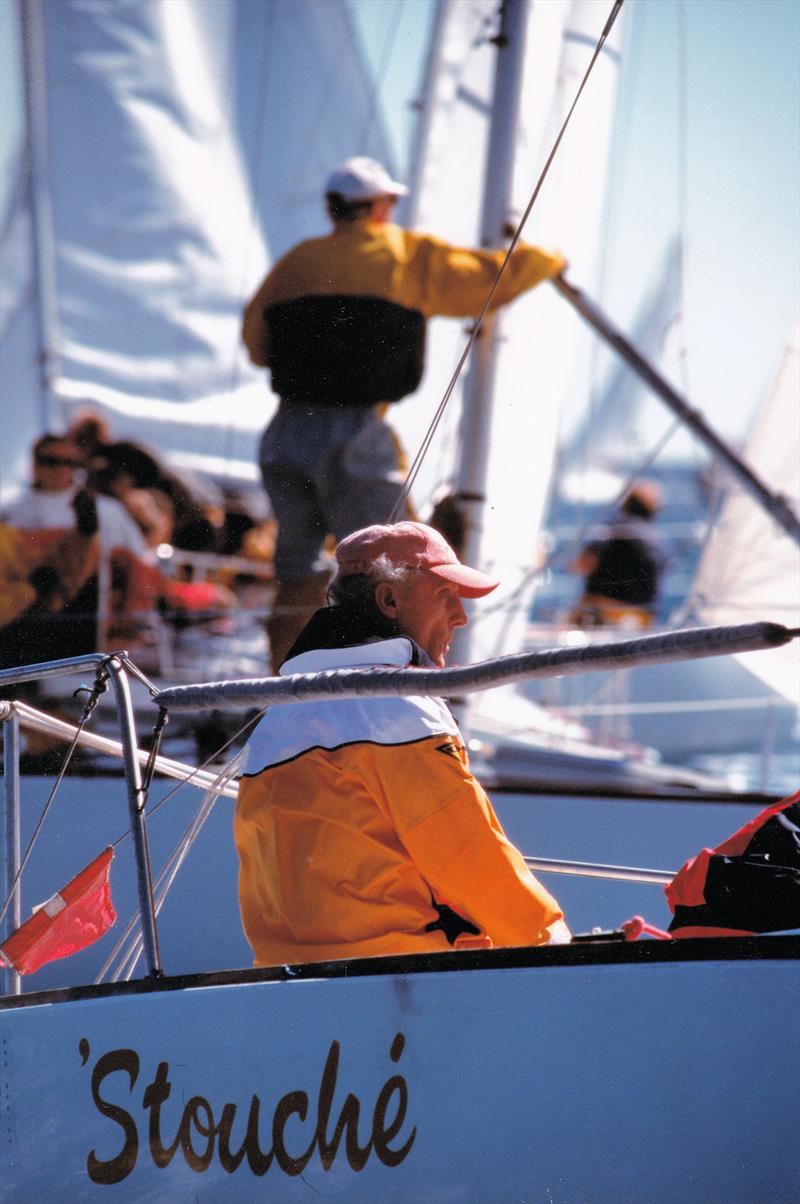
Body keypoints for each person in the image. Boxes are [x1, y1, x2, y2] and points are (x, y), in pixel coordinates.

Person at [242, 155, 566, 669]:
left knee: (298, 566)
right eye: (389, 203)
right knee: (407, 563)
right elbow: (485, 279)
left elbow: (256, 344)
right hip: (354, 431)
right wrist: (545, 260)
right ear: (374, 208)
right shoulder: (402, 254)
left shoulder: (295, 263)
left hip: (285, 433)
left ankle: (281, 685)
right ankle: (409, 679)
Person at [234, 520, 570, 967]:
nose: (461, 617)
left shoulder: (279, 716)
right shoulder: (396, 707)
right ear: (389, 600)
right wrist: (552, 945)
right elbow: (468, 857)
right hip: (405, 980)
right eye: (444, 595)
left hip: (291, 978)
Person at [568, 481, 666, 629]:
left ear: (626, 505)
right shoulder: (659, 543)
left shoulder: (612, 532)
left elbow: (580, 566)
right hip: (642, 619)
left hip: (602, 615)